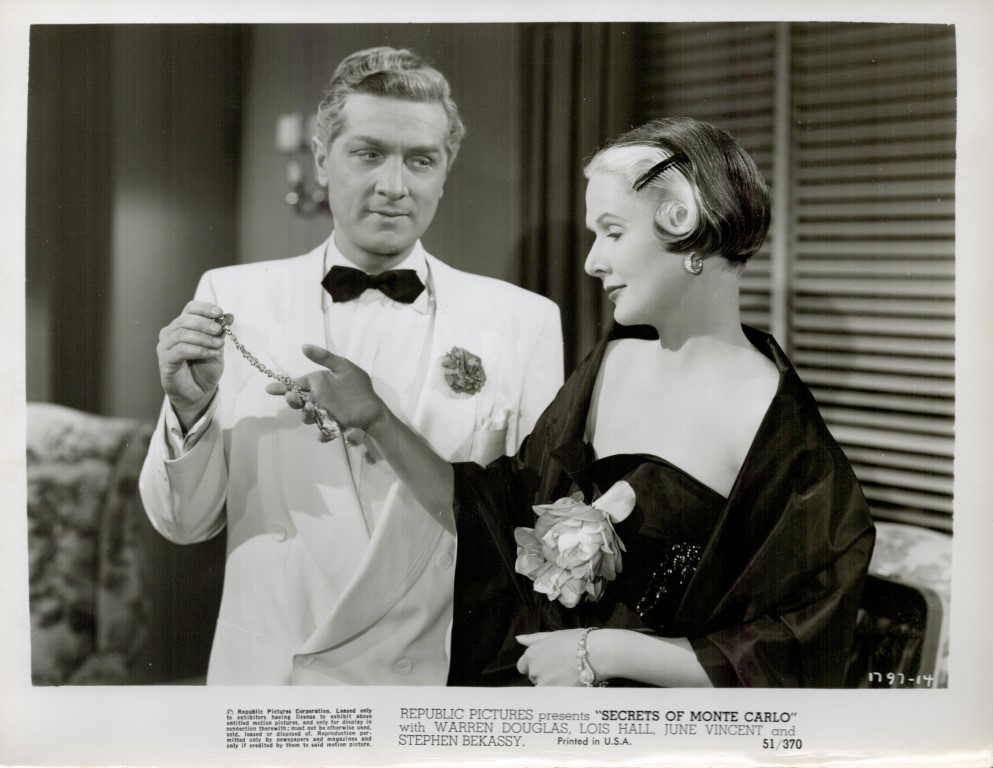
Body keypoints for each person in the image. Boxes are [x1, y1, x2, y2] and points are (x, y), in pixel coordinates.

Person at [274, 116, 875, 688]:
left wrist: (603, 651)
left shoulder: (770, 419)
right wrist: (377, 418)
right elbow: (494, 516)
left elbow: (798, 647)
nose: (592, 261)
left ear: (691, 229)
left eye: (612, 232)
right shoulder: (608, 365)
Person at [138, 46, 563, 685]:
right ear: (321, 159)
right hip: (275, 684)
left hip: (433, 684)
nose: (394, 186)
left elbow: (532, 537)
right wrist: (189, 408)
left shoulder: (524, 321)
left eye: (421, 160)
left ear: (445, 172)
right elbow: (182, 523)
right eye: (369, 154)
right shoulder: (232, 300)